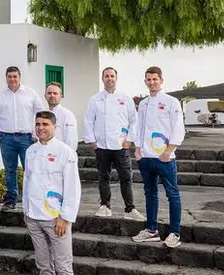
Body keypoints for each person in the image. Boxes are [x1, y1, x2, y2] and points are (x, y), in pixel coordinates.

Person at [23, 111, 81, 275]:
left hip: (56, 220)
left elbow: (72, 189)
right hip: (34, 217)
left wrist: (65, 217)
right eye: (37, 124)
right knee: (44, 265)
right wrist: (26, 211)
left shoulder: (65, 153)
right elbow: (28, 182)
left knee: (64, 267)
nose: (40, 128)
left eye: (45, 124)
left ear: (54, 127)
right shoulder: (30, 151)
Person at [131, 66, 185, 248]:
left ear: (161, 80)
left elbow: (178, 128)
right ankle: (151, 230)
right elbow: (139, 128)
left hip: (164, 157)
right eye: (148, 79)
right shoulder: (144, 104)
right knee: (150, 194)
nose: (152, 82)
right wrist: (137, 150)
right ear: (145, 81)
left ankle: (174, 232)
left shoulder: (171, 102)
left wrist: (168, 151)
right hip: (146, 157)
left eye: (155, 79)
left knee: (172, 194)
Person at [83, 67, 143, 219]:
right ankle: (104, 206)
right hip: (102, 146)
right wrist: (93, 142)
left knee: (126, 178)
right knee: (104, 177)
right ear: (102, 79)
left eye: (112, 76)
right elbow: (88, 121)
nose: (109, 78)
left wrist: (129, 140)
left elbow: (134, 120)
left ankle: (130, 209)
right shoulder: (94, 99)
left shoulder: (125, 98)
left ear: (116, 78)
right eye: (106, 76)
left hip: (121, 146)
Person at [0, 66, 45, 211]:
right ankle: (10, 200)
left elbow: (40, 113)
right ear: (6, 78)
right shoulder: (0, 95)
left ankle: (33, 199)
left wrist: (36, 133)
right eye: (9, 76)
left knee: (31, 168)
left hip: (26, 138)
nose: (12, 79)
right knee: (10, 170)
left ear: (19, 77)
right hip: (6, 138)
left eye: (15, 76)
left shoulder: (30, 93)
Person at [45, 82, 78, 150]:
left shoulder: (67, 115)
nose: (52, 95)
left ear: (61, 96)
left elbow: (71, 142)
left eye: (55, 93)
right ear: (45, 95)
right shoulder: (44, 115)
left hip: (61, 155)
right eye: (49, 93)